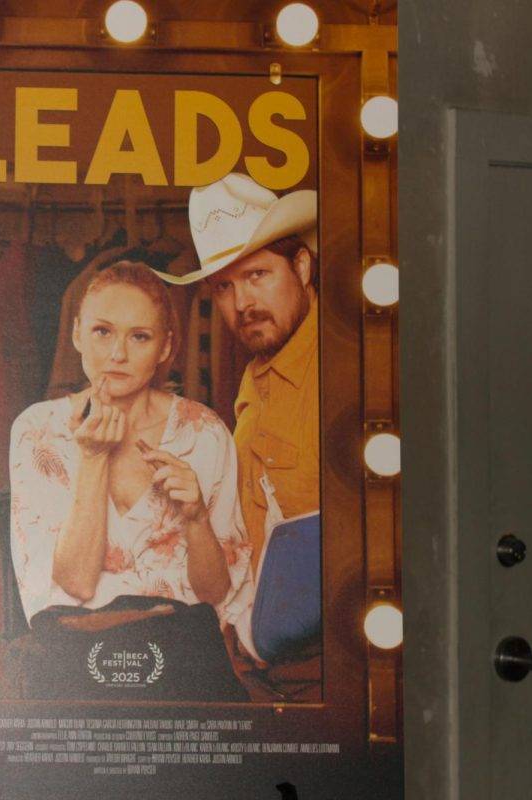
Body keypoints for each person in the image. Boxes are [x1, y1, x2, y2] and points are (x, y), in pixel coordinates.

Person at [8, 261, 254, 700]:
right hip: (74, 673)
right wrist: (93, 459)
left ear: (165, 347)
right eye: (103, 331)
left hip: (184, 673)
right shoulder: (37, 430)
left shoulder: (204, 432)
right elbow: (78, 583)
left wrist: (196, 517)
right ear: (77, 332)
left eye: (139, 336)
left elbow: (215, 592)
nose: (118, 354)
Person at [155, 172, 322, 701]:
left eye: (257, 275)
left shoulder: (347, 373)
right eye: (224, 286)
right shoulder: (256, 375)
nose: (241, 303)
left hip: (325, 678)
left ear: (301, 266)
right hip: (260, 675)